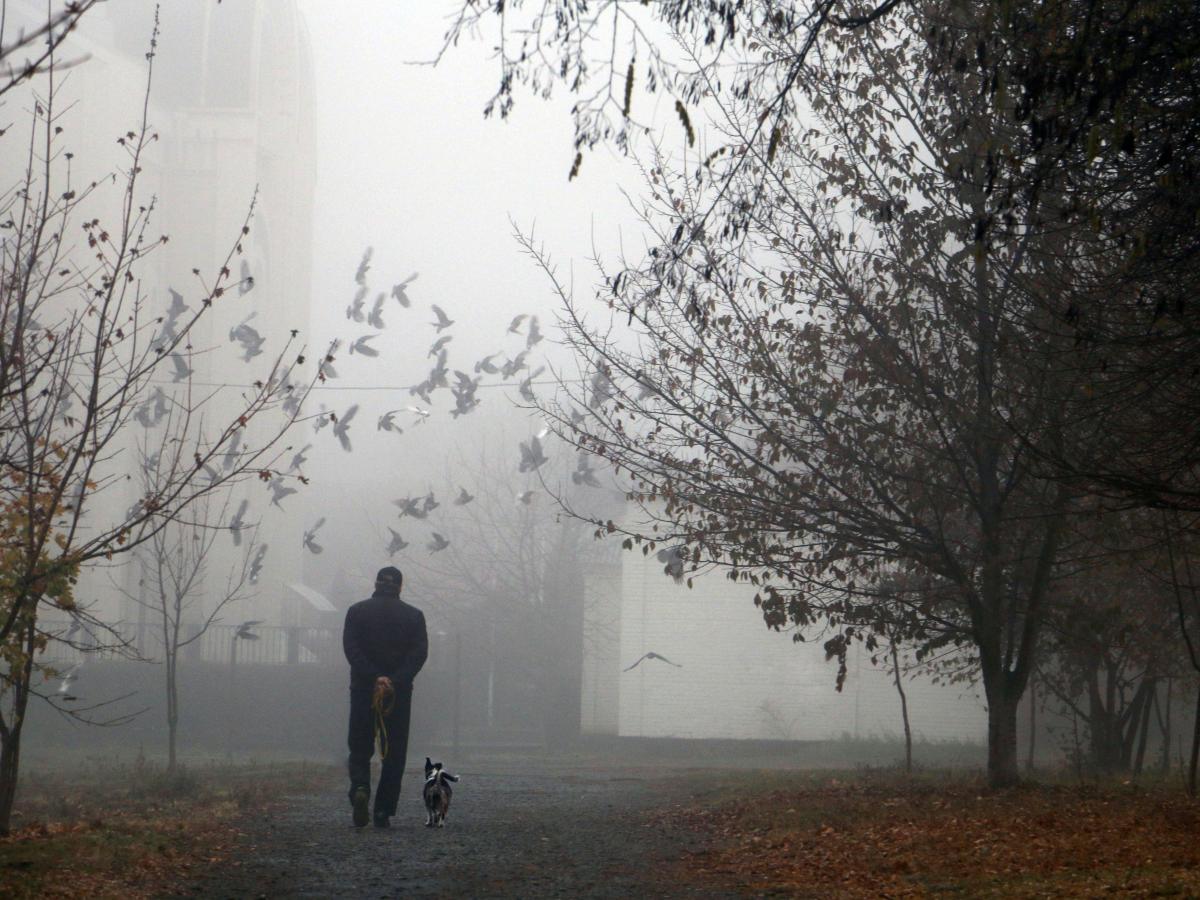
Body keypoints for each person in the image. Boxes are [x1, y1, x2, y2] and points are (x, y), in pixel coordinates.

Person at [342, 565, 428, 828]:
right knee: (394, 753)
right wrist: (394, 680)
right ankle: (382, 811)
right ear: (400, 587)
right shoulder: (414, 616)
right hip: (398, 695)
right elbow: (418, 654)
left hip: (363, 690)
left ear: (376, 583)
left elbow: (351, 650)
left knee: (359, 746)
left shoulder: (356, 612)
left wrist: (373, 677)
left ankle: (360, 787)